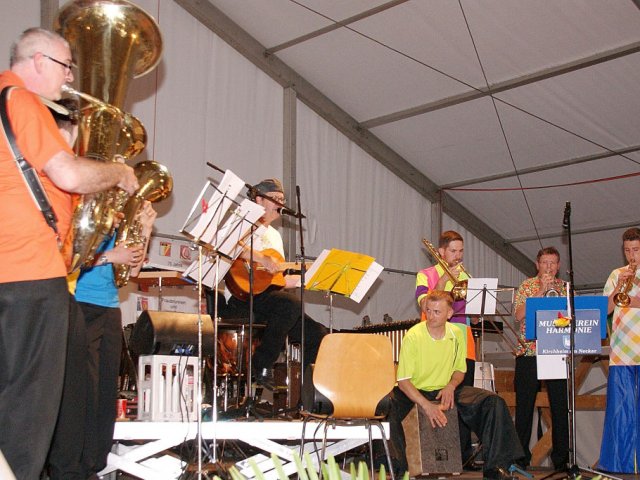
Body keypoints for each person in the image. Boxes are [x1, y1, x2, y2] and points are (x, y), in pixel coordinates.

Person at [0, 27, 137, 479]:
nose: (71, 77)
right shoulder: (21, 100)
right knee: (29, 412)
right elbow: (69, 175)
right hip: (30, 275)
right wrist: (117, 172)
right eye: (66, 66)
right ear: (39, 61)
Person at [389, 290, 524, 479]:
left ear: (449, 314)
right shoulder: (413, 335)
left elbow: (460, 370)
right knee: (387, 405)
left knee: (493, 403)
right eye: (429, 310)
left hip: (445, 389)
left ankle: (496, 468)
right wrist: (427, 406)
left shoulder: (457, 333)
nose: (431, 316)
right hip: (415, 389)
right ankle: (399, 470)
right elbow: (403, 381)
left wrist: (451, 386)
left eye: (437, 312)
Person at [223, 178, 328, 389]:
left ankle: (305, 395)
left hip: (269, 299)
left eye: (283, 199)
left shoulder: (274, 236)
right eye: (275, 198)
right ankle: (261, 363)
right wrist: (261, 258)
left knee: (317, 334)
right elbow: (228, 245)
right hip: (242, 296)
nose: (281, 203)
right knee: (290, 304)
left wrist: (305, 281)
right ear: (259, 199)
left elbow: (276, 280)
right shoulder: (243, 223)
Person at [415, 230, 476, 465]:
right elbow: (424, 304)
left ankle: (464, 455)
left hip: (463, 339)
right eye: (453, 251)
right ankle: (438, 455)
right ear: (441, 252)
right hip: (436, 343)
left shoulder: (466, 276)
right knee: (438, 397)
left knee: (464, 398)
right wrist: (444, 279)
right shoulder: (425, 275)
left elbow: (475, 313)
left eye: (461, 251)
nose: (458, 255)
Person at [513, 246, 569, 470]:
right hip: (528, 352)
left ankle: (562, 460)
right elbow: (518, 315)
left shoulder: (565, 287)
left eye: (553, 263)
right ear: (537, 264)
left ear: (558, 265)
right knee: (524, 407)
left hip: (555, 351)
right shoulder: (527, 285)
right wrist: (540, 292)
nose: (549, 267)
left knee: (560, 407)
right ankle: (519, 458)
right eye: (545, 263)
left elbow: (572, 316)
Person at [598, 227, 640, 473]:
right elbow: (604, 310)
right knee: (620, 411)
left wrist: (634, 300)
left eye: (636, 250)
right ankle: (619, 466)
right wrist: (618, 288)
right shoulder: (616, 274)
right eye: (627, 250)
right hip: (622, 351)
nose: (631, 255)